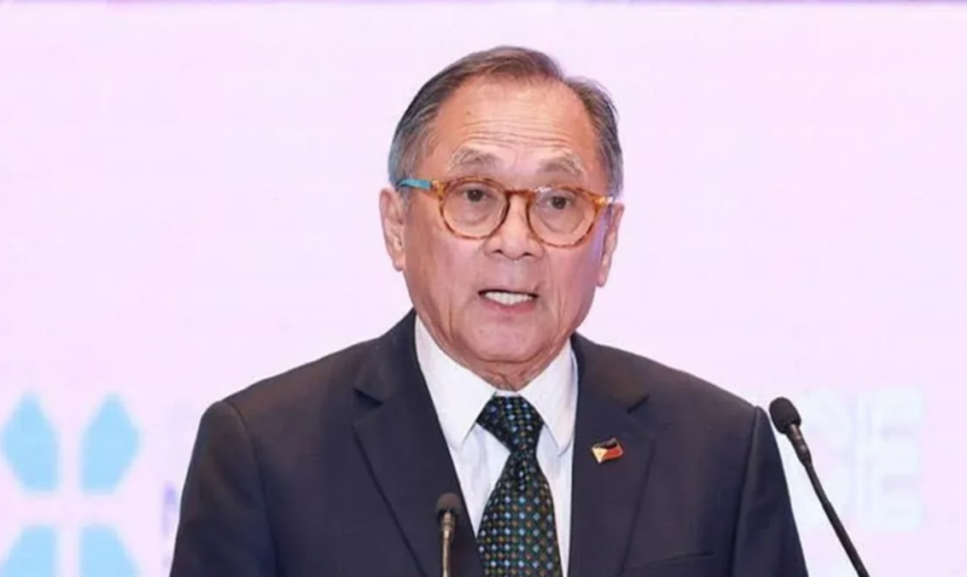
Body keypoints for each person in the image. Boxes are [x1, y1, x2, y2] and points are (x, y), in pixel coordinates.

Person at [170, 46, 808, 577]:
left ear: (607, 240)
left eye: (558, 202)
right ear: (397, 226)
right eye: (474, 195)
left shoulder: (719, 450)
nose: (515, 240)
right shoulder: (265, 455)